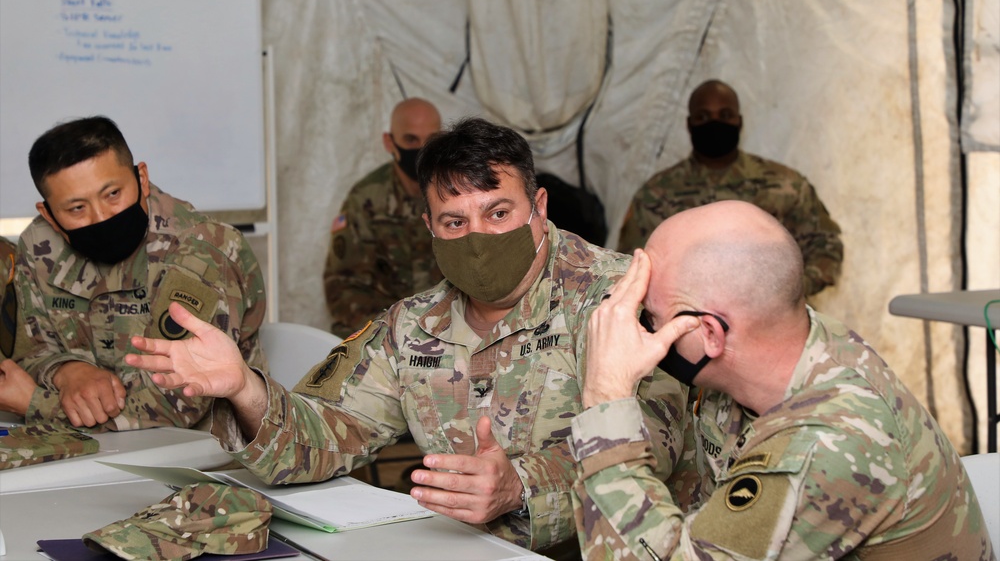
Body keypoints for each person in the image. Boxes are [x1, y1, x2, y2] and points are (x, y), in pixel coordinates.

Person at [126, 117, 687, 552]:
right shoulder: (413, 325)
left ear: (539, 208)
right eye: (455, 222)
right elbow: (327, 435)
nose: (478, 237)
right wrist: (243, 387)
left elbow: (658, 440)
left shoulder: (619, 296)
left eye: (498, 214)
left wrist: (520, 485)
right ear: (429, 227)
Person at [572, 201, 994, 560]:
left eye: (652, 316)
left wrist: (605, 396)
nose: (639, 329)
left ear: (711, 334)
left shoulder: (826, 443)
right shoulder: (787, 344)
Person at [0, 116, 267, 431]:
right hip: (90, 453)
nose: (101, 216)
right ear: (49, 213)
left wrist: (37, 403)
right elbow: (31, 353)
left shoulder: (202, 248)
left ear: (141, 177)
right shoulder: (41, 244)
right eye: (76, 209)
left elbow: (177, 402)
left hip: (203, 458)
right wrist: (68, 371)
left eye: (113, 193)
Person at [618, 80, 843, 297]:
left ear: (739, 121)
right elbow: (634, 263)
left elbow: (826, 246)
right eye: (703, 116)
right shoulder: (657, 194)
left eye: (725, 115)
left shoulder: (786, 185)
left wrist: (789, 293)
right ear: (689, 124)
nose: (714, 123)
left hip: (777, 324)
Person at [323, 97, 443, 337]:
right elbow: (344, 285)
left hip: (448, 325)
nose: (421, 149)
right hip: (382, 329)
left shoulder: (460, 194)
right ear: (390, 142)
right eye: (411, 139)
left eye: (430, 141)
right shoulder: (366, 199)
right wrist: (393, 330)